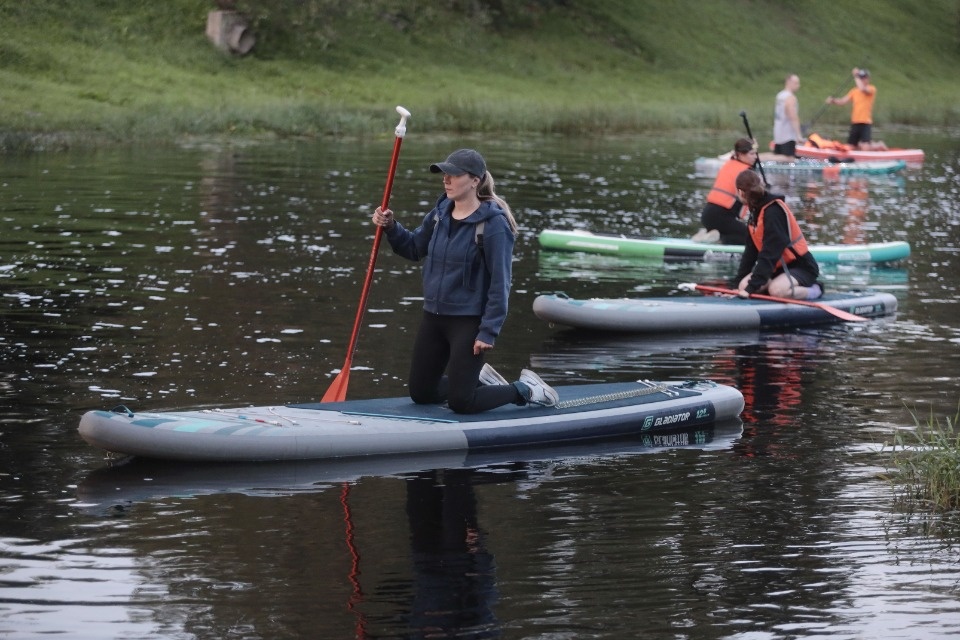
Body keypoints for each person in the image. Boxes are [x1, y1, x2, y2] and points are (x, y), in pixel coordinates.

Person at [372, 148, 558, 413]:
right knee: (422, 393)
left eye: (453, 174)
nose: (446, 179)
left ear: (475, 180)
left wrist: (488, 330)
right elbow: (413, 248)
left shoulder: (494, 225)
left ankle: (527, 390)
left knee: (462, 402)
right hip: (434, 317)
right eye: (444, 174)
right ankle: (479, 379)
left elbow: (500, 282)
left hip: (469, 323)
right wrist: (391, 226)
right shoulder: (439, 215)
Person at [732, 170, 822, 300]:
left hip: (801, 267)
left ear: (740, 192)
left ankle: (815, 290)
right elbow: (750, 254)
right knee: (742, 285)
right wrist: (737, 285)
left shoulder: (773, 212)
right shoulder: (755, 212)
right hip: (776, 269)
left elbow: (770, 253)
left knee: (777, 291)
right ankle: (772, 287)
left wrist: (751, 288)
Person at [697, 138, 755, 245]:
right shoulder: (746, 172)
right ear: (741, 154)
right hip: (720, 216)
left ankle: (709, 235)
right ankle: (718, 239)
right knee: (750, 238)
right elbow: (749, 198)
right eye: (751, 154)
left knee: (739, 232)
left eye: (755, 154)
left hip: (708, 214)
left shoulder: (729, 164)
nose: (755, 157)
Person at [825, 68, 888, 151]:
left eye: (863, 78)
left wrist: (856, 76)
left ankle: (879, 145)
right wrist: (833, 100)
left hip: (865, 122)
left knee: (865, 148)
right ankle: (867, 144)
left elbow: (862, 89)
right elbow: (842, 101)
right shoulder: (854, 91)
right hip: (855, 122)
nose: (862, 80)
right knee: (850, 147)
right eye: (861, 78)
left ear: (868, 79)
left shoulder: (871, 89)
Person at [772, 74, 803, 157]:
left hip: (778, 133)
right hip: (788, 135)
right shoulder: (790, 97)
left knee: (778, 155)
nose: (798, 86)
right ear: (789, 82)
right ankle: (761, 159)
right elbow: (792, 116)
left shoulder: (780, 95)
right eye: (796, 83)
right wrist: (798, 135)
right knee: (789, 158)